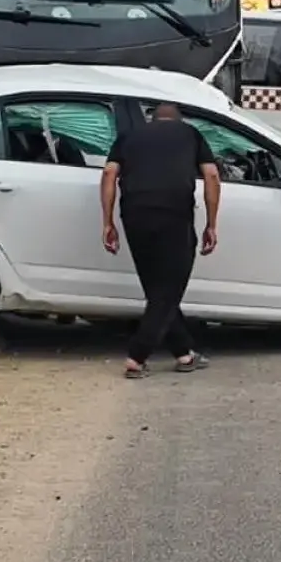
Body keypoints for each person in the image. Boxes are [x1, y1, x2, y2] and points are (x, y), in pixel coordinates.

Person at [100, 101, 220, 378]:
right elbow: (212, 175)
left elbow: (109, 174)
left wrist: (108, 222)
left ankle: (184, 353)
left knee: (158, 290)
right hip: (174, 215)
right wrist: (211, 225)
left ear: (152, 120)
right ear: (178, 120)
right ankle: (137, 356)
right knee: (169, 289)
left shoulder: (128, 136)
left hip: (134, 216)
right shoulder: (190, 133)